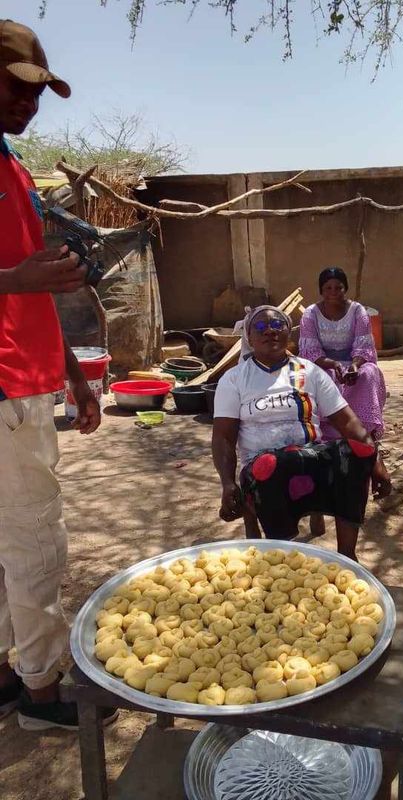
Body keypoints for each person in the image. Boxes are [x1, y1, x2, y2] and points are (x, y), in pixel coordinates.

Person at [0, 20, 116, 729]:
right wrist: (15, 278)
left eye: (37, 92)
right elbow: (18, 280)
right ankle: (43, 694)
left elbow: (30, 288)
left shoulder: (10, 166)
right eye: (15, 88)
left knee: (5, 540)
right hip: (6, 387)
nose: (28, 103)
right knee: (36, 538)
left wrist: (73, 371)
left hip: (27, 377)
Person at [212, 305, 391, 560]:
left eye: (277, 325)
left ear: (289, 333)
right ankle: (283, 559)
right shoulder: (234, 379)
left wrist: (375, 461)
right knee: (273, 466)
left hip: (310, 455)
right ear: (249, 338)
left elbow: (348, 423)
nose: (270, 332)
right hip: (263, 465)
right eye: (260, 327)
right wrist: (227, 483)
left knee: (350, 455)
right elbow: (223, 437)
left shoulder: (310, 371)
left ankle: (347, 557)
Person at [299, 267, 386, 442]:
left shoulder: (358, 311)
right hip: (324, 363)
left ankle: (364, 428)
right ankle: (330, 431)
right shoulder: (311, 314)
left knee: (369, 373)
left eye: (338, 288)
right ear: (321, 291)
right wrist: (335, 365)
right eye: (328, 288)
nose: (333, 292)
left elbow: (364, 345)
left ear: (345, 288)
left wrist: (353, 366)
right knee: (323, 376)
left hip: (354, 362)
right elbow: (311, 352)